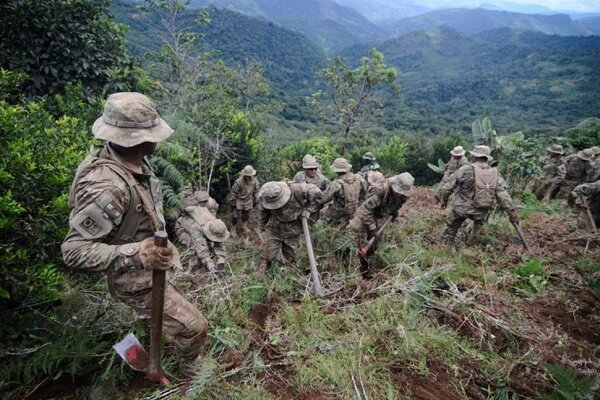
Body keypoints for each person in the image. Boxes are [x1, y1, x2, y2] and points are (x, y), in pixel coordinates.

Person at [61, 92, 207, 377]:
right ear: (139, 139)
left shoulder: (133, 161)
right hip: (133, 280)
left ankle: (152, 349)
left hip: (149, 270)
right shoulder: (108, 186)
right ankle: (189, 370)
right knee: (195, 327)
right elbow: (73, 250)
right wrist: (137, 253)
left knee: (161, 321)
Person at [438, 145, 518, 245]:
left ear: (475, 156)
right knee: (477, 228)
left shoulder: (464, 170)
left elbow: (447, 188)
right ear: (487, 157)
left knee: (451, 226)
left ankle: (444, 246)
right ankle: (471, 246)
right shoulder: (495, 173)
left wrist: (443, 201)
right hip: (481, 210)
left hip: (461, 208)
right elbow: (504, 196)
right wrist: (512, 214)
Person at [258, 181, 322, 270]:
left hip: (294, 224)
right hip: (275, 223)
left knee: (290, 253)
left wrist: (308, 210)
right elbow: (263, 213)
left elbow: (317, 194)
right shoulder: (265, 196)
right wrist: (262, 227)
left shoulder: (299, 189)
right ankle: (265, 270)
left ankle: (285, 269)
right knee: (268, 251)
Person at [348, 172, 414, 255]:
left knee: (376, 240)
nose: (399, 193)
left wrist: (395, 210)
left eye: (401, 192)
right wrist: (372, 227)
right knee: (354, 230)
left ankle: (368, 256)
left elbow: (400, 203)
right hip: (366, 212)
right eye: (397, 191)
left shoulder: (404, 194)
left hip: (381, 214)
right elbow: (366, 210)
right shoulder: (380, 190)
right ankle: (346, 252)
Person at [175, 206, 230, 274]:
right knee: (194, 248)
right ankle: (194, 268)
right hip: (183, 229)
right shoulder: (197, 228)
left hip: (199, 230)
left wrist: (221, 260)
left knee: (209, 246)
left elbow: (219, 244)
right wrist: (210, 265)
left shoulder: (216, 225)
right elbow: (201, 248)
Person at [320, 158, 367, 226]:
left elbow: (323, 199)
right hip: (356, 208)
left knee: (322, 212)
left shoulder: (336, 183)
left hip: (340, 212)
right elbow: (365, 191)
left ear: (337, 171)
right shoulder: (359, 178)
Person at [228, 165, 260, 236]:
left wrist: (256, 197)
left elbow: (256, 190)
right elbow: (234, 192)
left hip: (248, 200)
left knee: (246, 215)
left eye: (249, 175)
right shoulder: (239, 182)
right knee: (236, 215)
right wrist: (233, 199)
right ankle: (233, 228)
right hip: (239, 200)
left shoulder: (255, 181)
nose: (247, 177)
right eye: (246, 175)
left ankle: (244, 226)